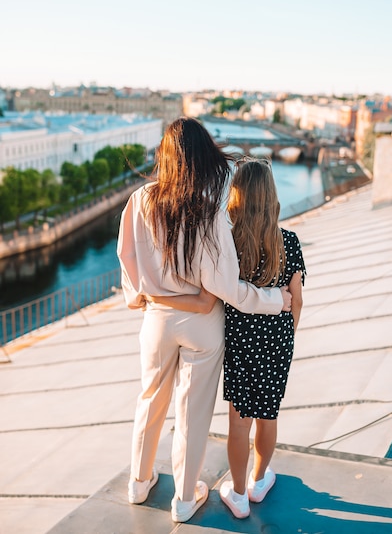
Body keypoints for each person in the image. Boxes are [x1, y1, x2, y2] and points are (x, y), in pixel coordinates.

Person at [116, 119, 292, 523]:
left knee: (150, 400)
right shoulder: (210, 212)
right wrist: (274, 300)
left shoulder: (140, 199)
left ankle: (139, 484)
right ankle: (183, 498)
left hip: (157, 319)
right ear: (202, 157)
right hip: (202, 325)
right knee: (192, 413)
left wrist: (142, 297)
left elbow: (126, 256)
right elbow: (228, 288)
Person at [151, 158, 305, 519]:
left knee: (239, 422)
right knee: (268, 415)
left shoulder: (228, 241)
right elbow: (296, 299)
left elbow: (218, 290)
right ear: (271, 197)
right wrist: (288, 335)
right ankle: (259, 479)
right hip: (278, 339)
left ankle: (237, 494)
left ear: (236, 195)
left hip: (240, 341)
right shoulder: (289, 242)